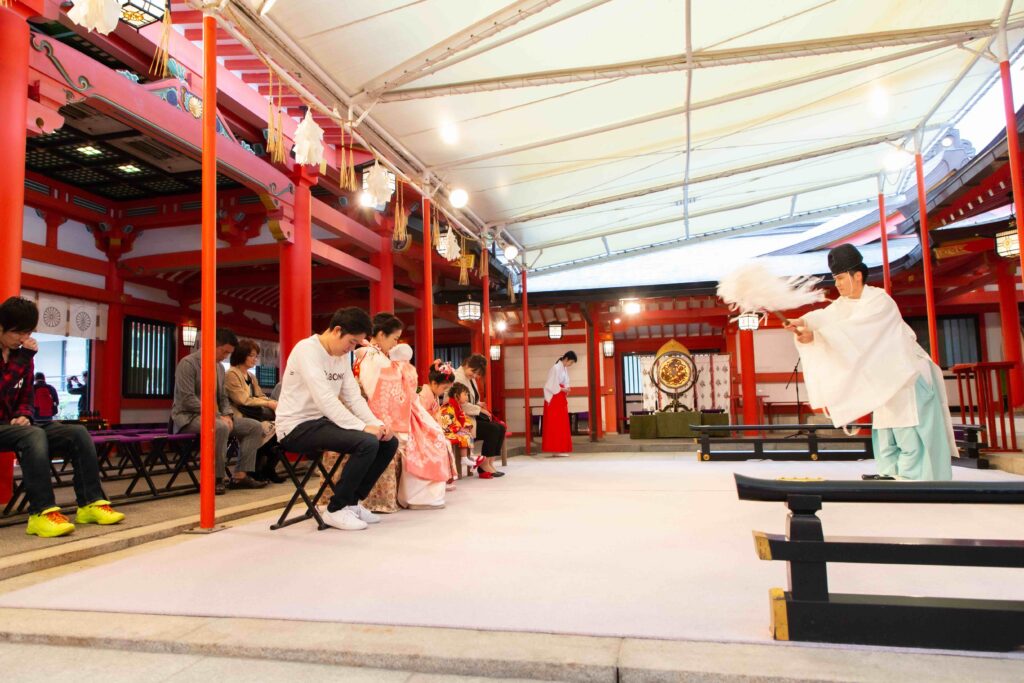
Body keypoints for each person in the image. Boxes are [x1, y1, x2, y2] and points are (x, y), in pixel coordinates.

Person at [785, 244, 955, 481]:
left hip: (907, 374)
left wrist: (817, 336)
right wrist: (801, 321)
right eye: (836, 279)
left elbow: (856, 331)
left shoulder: (879, 301)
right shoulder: (844, 305)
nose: (838, 284)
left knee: (908, 427)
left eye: (842, 278)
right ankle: (890, 473)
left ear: (857, 275)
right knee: (887, 428)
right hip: (886, 378)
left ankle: (918, 477)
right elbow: (824, 317)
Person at [0, 297, 124, 537]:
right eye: (19, 332)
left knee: (76, 432)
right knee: (33, 434)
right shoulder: (23, 355)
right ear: (3, 327)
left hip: (13, 425)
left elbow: (27, 395)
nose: (24, 338)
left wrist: (24, 413)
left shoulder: (21, 353)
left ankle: (90, 503)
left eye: (28, 332)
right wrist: (24, 358)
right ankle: (41, 513)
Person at [275, 307, 399, 531]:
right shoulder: (306, 350)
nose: (351, 349)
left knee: (388, 442)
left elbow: (353, 398)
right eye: (351, 342)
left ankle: (352, 502)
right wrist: (363, 427)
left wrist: (378, 424)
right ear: (337, 330)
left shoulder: (340, 355)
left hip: (321, 423)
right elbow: (324, 399)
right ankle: (335, 509)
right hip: (295, 427)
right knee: (367, 441)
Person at [170, 328, 267, 494]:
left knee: (254, 426)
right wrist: (217, 415)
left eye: (229, 353)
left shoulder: (220, 368)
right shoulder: (188, 364)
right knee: (219, 427)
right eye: (224, 352)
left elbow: (222, 397)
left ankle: (240, 476)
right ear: (213, 345)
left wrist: (227, 414)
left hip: (216, 416)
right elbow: (187, 399)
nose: (226, 356)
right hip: (188, 417)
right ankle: (216, 477)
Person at [349, 312, 405, 513]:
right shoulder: (371, 356)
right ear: (381, 334)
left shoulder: (376, 355)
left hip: (383, 409)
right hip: (372, 412)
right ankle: (362, 500)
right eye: (394, 339)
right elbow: (373, 392)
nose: (395, 344)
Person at [390, 345, 453, 509]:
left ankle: (432, 490)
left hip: (415, 416)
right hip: (409, 417)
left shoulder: (407, 371)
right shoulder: (398, 372)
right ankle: (421, 496)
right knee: (431, 445)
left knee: (438, 440)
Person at [224, 339, 283, 483]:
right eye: (252, 355)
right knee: (258, 426)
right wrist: (269, 404)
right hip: (238, 416)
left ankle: (267, 467)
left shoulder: (251, 376)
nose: (255, 359)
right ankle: (252, 470)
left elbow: (260, 395)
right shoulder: (232, 374)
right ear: (241, 355)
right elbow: (243, 399)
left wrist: (271, 402)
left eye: (256, 356)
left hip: (254, 414)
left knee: (281, 427)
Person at [453, 353, 506, 476]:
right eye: (474, 371)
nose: (475, 375)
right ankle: (483, 465)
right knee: (492, 429)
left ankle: (489, 462)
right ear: (467, 364)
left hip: (471, 416)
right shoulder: (458, 378)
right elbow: (460, 404)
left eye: (477, 374)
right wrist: (479, 410)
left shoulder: (468, 377)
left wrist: (479, 403)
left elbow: (471, 399)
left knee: (500, 427)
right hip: (462, 420)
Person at [439, 382, 479, 475]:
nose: (467, 397)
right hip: (447, 431)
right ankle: (464, 458)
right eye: (465, 394)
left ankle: (467, 457)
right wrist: (459, 429)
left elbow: (463, 418)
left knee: (467, 435)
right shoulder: (448, 406)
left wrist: (466, 427)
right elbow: (447, 421)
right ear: (456, 395)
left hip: (453, 429)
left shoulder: (457, 406)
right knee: (463, 436)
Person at [542, 351, 577, 456]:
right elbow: (551, 385)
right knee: (555, 425)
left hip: (559, 397)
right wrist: (563, 389)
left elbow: (565, 382)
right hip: (554, 398)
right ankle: (555, 450)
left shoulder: (564, 369)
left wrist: (566, 388)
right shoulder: (556, 368)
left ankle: (560, 449)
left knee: (561, 424)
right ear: (566, 359)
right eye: (570, 362)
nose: (570, 365)